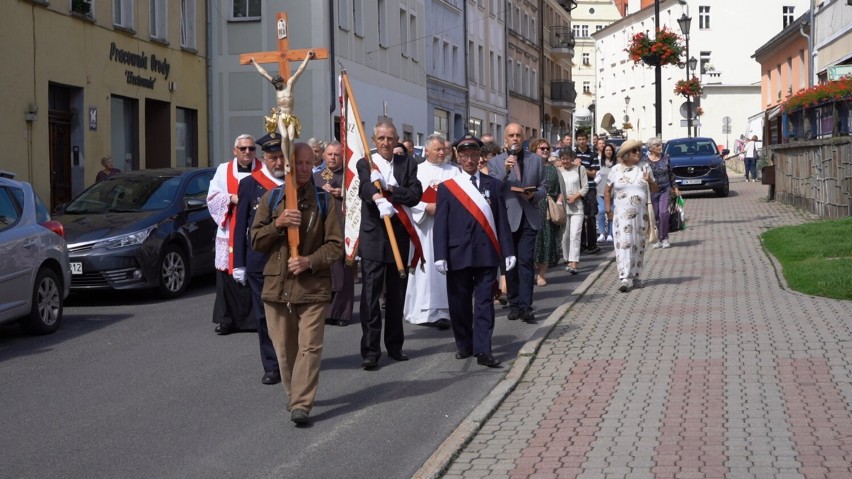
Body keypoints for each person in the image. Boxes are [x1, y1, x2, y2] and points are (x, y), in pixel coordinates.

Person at [250, 142, 343, 425]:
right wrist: (278, 224)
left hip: (313, 286)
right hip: (277, 287)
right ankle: (295, 395)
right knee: (285, 350)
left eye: (307, 163)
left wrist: (309, 261)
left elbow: (335, 245)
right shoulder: (272, 198)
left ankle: (301, 403)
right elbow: (255, 240)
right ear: (288, 165)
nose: (303, 169)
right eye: (297, 163)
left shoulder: (324, 201)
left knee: (310, 347)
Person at [433, 135, 516, 367]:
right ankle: (464, 343)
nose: (469, 159)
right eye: (464, 155)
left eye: (473, 155)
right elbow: (441, 224)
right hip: (457, 252)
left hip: (485, 253)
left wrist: (508, 252)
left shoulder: (494, 185)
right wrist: (440, 255)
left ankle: (483, 349)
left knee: (484, 303)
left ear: (480, 157)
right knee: (459, 303)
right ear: (458, 157)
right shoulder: (448, 188)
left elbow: (501, 222)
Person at [357, 120, 423, 370]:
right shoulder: (365, 162)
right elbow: (364, 188)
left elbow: (415, 193)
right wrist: (376, 194)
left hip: (399, 234)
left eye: (390, 138)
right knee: (371, 296)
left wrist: (390, 190)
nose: (386, 143)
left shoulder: (407, 163)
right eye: (381, 138)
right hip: (374, 236)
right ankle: (371, 350)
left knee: (396, 295)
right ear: (374, 141)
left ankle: (395, 346)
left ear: (397, 140)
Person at [232, 133, 286, 385]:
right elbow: (240, 224)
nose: (278, 163)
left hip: (289, 260)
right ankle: (272, 365)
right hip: (259, 261)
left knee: (290, 314)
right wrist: (239, 263)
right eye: (273, 158)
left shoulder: (296, 184)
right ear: (264, 158)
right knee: (265, 316)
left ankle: (290, 358)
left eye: (281, 157)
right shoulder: (250, 184)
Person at [486, 123, 546, 323]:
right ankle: (514, 303)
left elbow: (544, 187)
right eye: (511, 135)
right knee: (509, 264)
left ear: (523, 138)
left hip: (528, 217)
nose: (515, 139)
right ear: (505, 139)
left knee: (525, 261)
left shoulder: (535, 160)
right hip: (507, 219)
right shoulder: (496, 163)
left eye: (518, 135)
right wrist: (504, 171)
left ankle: (526, 306)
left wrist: (534, 195)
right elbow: (493, 189)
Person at [403, 135, 459, 329]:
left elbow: (460, 197)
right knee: (423, 268)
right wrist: (425, 206)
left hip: (447, 228)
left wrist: (444, 208)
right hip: (423, 228)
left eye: (444, 149)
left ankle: (444, 311)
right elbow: (409, 197)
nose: (442, 152)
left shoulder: (454, 171)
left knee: (443, 268)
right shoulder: (416, 171)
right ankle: (421, 310)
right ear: (426, 151)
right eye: (437, 149)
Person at [207, 134, 261, 335]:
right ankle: (227, 320)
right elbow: (212, 196)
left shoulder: (262, 169)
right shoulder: (223, 170)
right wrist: (231, 197)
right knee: (226, 278)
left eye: (251, 148)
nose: (247, 152)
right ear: (235, 150)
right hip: (229, 228)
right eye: (243, 148)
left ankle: (255, 320)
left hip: (254, 229)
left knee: (254, 273)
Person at [604, 139, 656, 293]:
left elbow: (654, 189)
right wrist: (608, 210)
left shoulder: (644, 168)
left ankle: (637, 275)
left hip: (640, 215)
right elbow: (607, 191)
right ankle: (624, 277)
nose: (638, 153)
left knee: (638, 244)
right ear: (626, 154)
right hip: (621, 216)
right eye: (634, 151)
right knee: (624, 244)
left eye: (639, 150)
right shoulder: (615, 170)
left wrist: (650, 180)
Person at [313, 142, 355, 327]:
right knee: (325, 269)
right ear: (323, 156)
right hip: (321, 229)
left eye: (336, 155)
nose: (332, 157)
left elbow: (359, 199)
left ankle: (342, 313)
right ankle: (324, 311)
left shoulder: (350, 178)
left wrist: (343, 194)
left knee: (344, 271)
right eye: (329, 154)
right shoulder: (316, 177)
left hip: (344, 226)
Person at [249, 50, 316, 163]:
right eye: (274, 84)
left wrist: (307, 58)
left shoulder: (289, 85)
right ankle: (287, 161)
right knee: (284, 136)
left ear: (281, 81)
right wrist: (254, 63)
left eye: (277, 84)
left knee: (290, 138)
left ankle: (289, 159)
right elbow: (264, 73)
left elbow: (300, 70)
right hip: (281, 116)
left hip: (290, 117)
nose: (276, 86)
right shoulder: (277, 89)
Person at [529, 138, 560, 287]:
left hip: (549, 207)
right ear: (535, 149)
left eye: (547, 148)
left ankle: (542, 274)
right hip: (533, 205)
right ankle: (531, 272)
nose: (545, 150)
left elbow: (559, 189)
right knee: (533, 241)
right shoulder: (529, 166)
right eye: (542, 148)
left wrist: (558, 203)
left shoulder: (553, 168)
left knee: (547, 240)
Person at [555, 148, 588, 275]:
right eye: (563, 159)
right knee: (565, 236)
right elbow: (556, 187)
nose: (565, 161)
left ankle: (574, 262)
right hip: (563, 207)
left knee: (575, 234)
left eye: (567, 158)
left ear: (572, 158)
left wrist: (575, 196)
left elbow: (585, 187)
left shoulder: (580, 169)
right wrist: (560, 197)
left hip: (577, 206)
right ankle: (567, 259)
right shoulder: (558, 171)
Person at [643, 137, 680, 249]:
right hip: (652, 191)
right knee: (655, 215)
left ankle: (664, 238)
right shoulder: (645, 160)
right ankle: (656, 237)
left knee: (663, 213)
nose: (660, 147)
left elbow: (671, 173)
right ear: (651, 148)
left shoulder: (665, 158)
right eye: (657, 146)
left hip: (665, 189)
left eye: (660, 145)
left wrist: (675, 187)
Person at [574, 131, 600, 255]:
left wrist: (581, 167)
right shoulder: (573, 154)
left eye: (584, 139)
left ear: (587, 140)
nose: (582, 141)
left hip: (590, 188)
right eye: (579, 139)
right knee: (578, 216)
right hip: (576, 188)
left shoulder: (593, 154)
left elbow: (594, 173)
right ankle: (581, 244)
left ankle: (592, 244)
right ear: (576, 140)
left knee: (590, 216)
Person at [596, 143, 617, 242]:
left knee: (611, 212)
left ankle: (610, 233)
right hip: (600, 192)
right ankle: (601, 233)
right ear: (604, 152)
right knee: (601, 211)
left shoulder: (616, 164)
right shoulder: (600, 162)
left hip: (613, 193)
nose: (608, 152)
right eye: (606, 150)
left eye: (610, 150)